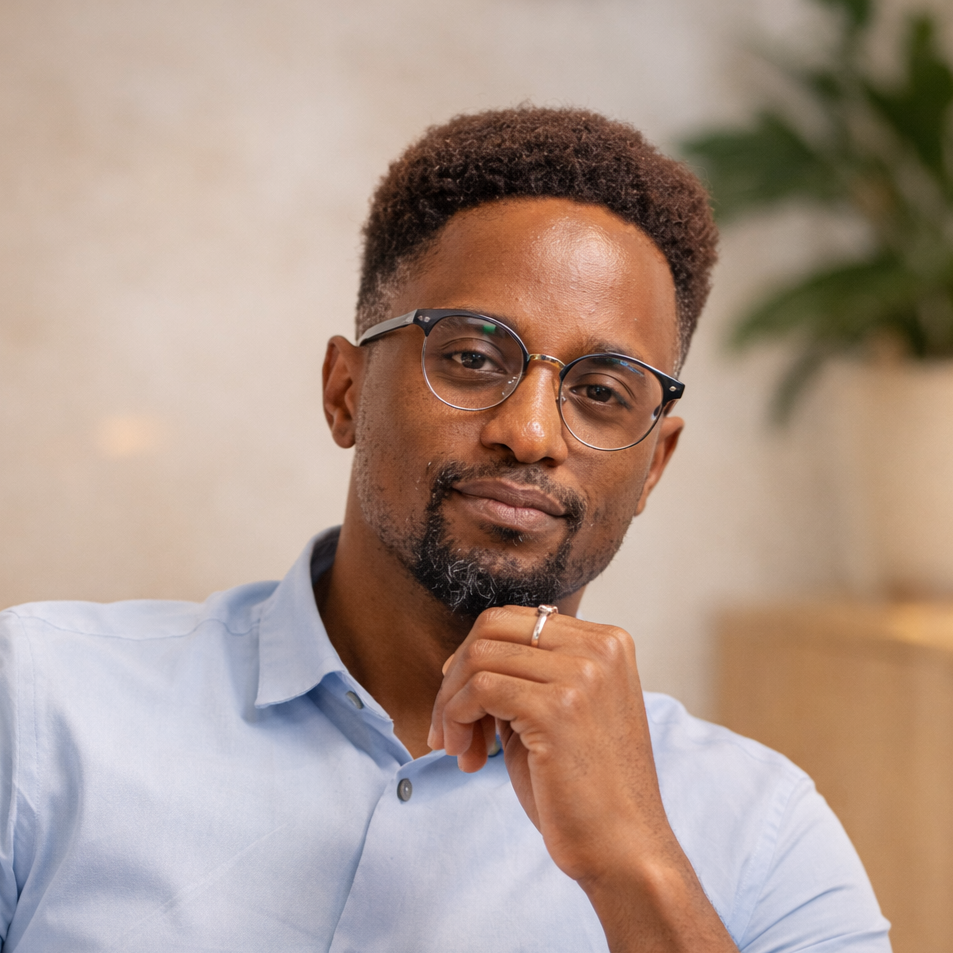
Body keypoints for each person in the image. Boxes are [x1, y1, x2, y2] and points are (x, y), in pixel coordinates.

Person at [0, 107, 890, 952]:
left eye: (601, 391)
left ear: (653, 465)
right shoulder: (40, 706)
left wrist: (637, 870)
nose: (531, 432)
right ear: (344, 391)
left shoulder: (764, 835)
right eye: (470, 357)